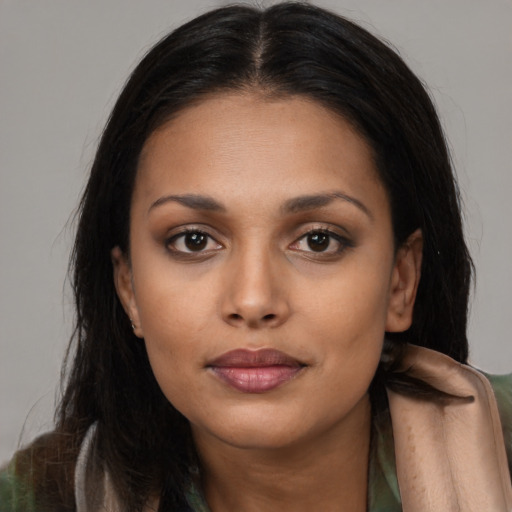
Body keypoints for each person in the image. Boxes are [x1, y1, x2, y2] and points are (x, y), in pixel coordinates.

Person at [1, 2, 511, 511]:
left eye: (318, 240)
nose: (252, 300)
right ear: (128, 287)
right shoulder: (39, 498)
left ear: (401, 281)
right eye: (194, 241)